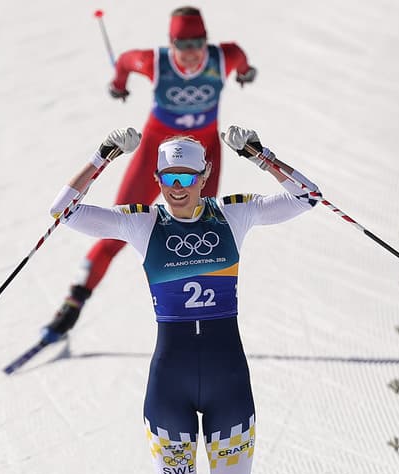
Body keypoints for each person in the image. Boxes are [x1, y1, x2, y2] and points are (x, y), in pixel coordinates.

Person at [48, 125, 319, 474]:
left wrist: (261, 155)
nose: (177, 186)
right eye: (167, 177)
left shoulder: (233, 215)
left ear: (204, 176)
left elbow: (307, 198)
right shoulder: (143, 224)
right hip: (168, 387)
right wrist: (103, 157)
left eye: (186, 177)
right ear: (157, 178)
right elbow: (64, 212)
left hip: (228, 387)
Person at [40, 6, 257, 343]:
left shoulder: (224, 56)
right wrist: (118, 83)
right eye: (182, 45)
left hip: (203, 154)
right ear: (170, 43)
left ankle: (200, 313)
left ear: (206, 41)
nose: (190, 53)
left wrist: (245, 73)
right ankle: (74, 301)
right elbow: (125, 61)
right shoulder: (154, 62)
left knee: (204, 229)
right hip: (156, 153)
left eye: (197, 43)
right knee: (116, 228)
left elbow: (242, 62)